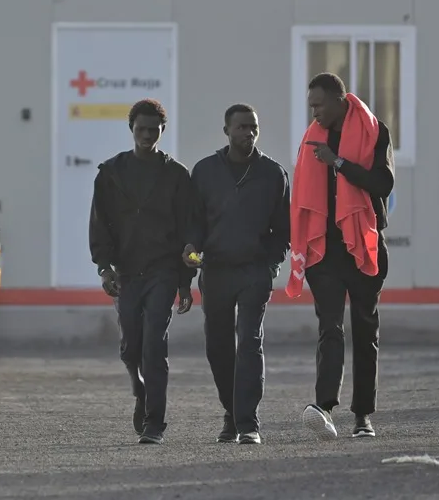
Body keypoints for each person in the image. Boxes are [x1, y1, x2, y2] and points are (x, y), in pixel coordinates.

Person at [286, 72, 394, 440]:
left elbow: (383, 183)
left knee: (365, 330)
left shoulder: (374, 131)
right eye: (310, 105)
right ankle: (324, 408)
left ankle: (363, 416)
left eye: (318, 104)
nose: (313, 112)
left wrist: (339, 163)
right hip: (325, 248)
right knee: (330, 326)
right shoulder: (313, 137)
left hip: (363, 243)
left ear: (339, 99)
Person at [89, 98, 197, 445]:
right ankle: (140, 387)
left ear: (163, 131)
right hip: (126, 272)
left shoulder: (176, 174)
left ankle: (155, 423)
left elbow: (186, 229)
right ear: (131, 129)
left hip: (163, 271)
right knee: (130, 348)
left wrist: (185, 281)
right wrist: (104, 268)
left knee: (154, 345)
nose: (148, 135)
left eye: (155, 129)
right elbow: (99, 225)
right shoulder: (111, 173)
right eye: (142, 129)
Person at [183, 104, 291, 445]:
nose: (249, 133)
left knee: (249, 342)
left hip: (253, 272)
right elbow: (194, 222)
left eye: (254, 127)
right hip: (214, 271)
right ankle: (231, 414)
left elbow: (283, 230)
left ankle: (248, 422)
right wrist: (191, 249)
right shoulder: (204, 171)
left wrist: (271, 265)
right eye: (242, 127)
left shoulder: (273, 174)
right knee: (218, 346)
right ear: (227, 130)